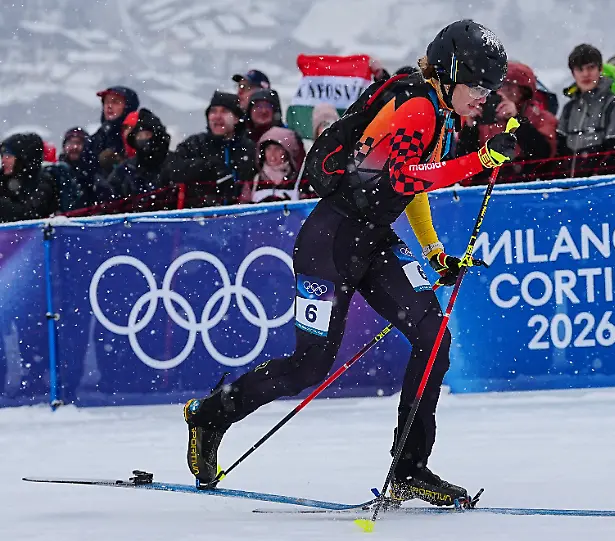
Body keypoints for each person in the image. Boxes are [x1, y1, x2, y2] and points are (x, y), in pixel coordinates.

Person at [182, 19, 517, 507]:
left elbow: (411, 187)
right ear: (449, 72)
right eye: (480, 85)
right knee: (307, 367)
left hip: (373, 240)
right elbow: (403, 179)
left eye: (491, 87)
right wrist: (479, 161)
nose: (485, 97)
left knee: (433, 339)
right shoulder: (419, 107)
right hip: (330, 244)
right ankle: (211, 414)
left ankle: (409, 469)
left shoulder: (441, 113)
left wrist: (433, 251)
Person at [555, 44, 615, 178]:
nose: (585, 74)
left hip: (603, 188)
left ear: (600, 69)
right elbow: (560, 153)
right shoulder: (568, 109)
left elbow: (614, 151)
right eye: (580, 69)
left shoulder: (614, 105)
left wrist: (595, 180)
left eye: (590, 68)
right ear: (573, 73)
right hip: (570, 190)